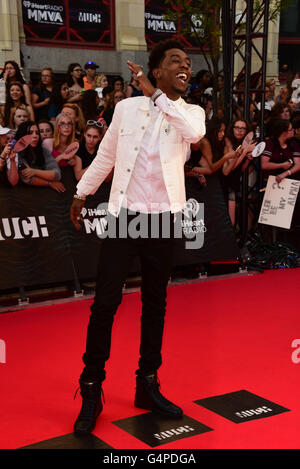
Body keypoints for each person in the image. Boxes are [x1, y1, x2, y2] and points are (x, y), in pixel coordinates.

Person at [69, 38, 206, 435]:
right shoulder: (126, 108)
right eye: (175, 61)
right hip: (125, 216)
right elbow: (107, 157)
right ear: (157, 67)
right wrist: (81, 193)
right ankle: (91, 388)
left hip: (163, 218)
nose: (185, 67)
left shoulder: (190, 112)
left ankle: (148, 383)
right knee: (105, 304)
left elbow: (194, 135)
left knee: (155, 305)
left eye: (187, 63)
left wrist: (157, 95)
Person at [14, 121, 63, 191]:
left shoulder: (43, 150)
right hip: (24, 194)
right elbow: (27, 178)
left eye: (37, 133)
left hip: (43, 193)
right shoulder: (17, 152)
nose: (35, 136)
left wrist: (34, 172)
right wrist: (49, 183)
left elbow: (57, 174)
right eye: (30, 133)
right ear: (23, 135)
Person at [261, 117, 300, 184]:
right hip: (271, 181)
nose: (293, 130)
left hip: (288, 181)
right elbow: (264, 165)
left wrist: (286, 173)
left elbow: (298, 164)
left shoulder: (293, 143)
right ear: (283, 133)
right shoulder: (270, 143)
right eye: (290, 130)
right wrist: (281, 165)